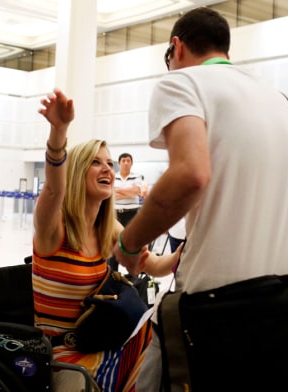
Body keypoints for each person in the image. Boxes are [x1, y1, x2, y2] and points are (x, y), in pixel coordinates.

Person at [112, 7, 288, 390]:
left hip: (212, 315)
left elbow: (190, 174)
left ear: (176, 47)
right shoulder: (286, 103)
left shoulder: (183, 83)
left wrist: (129, 244)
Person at [32, 89, 180, 392]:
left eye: (110, 163)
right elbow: (52, 189)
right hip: (62, 354)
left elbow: (152, 265)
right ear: (76, 171)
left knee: (165, 340)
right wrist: (58, 130)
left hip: (105, 343)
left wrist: (186, 253)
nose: (107, 169)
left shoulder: (107, 228)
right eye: (96, 163)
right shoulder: (53, 227)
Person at [114, 153, 143, 227]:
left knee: (132, 237)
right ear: (119, 163)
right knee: (116, 237)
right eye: (123, 161)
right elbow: (111, 194)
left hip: (133, 213)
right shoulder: (113, 177)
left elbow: (136, 191)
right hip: (115, 214)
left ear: (131, 163)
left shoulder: (137, 176)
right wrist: (129, 192)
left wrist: (117, 190)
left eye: (128, 161)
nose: (126, 163)